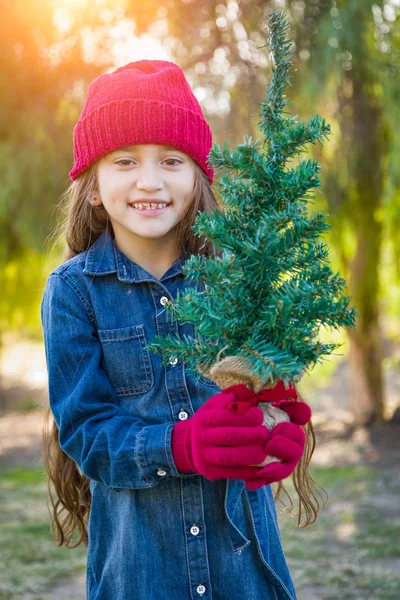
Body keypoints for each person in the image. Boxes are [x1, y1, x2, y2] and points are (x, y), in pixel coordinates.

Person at [41, 60, 316, 600]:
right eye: (124, 161)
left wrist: (282, 422)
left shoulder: (237, 276)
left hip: (244, 569)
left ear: (197, 179)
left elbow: (265, 389)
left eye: (171, 160)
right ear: (94, 185)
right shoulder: (73, 293)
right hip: (140, 571)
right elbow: (86, 431)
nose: (150, 181)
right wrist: (181, 446)